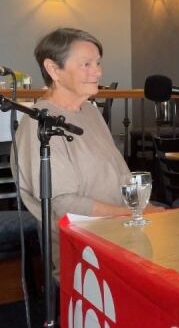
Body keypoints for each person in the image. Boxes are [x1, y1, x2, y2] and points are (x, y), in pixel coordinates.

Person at [11, 28, 162, 275]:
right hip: (85, 245)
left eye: (98, 63)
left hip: (123, 229)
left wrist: (138, 214)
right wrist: (135, 212)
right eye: (86, 64)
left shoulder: (90, 111)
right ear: (53, 69)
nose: (98, 72)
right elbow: (64, 205)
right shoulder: (41, 123)